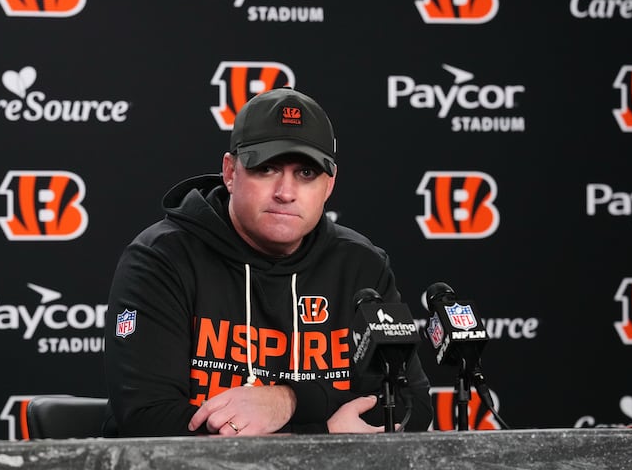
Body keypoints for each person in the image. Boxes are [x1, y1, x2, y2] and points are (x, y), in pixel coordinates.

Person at [102, 87, 432, 436]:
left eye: (306, 173)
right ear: (230, 172)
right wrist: (320, 432)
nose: (285, 192)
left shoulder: (362, 265)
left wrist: (286, 400)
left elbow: (410, 404)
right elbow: (148, 419)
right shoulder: (161, 259)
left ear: (329, 184)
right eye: (267, 168)